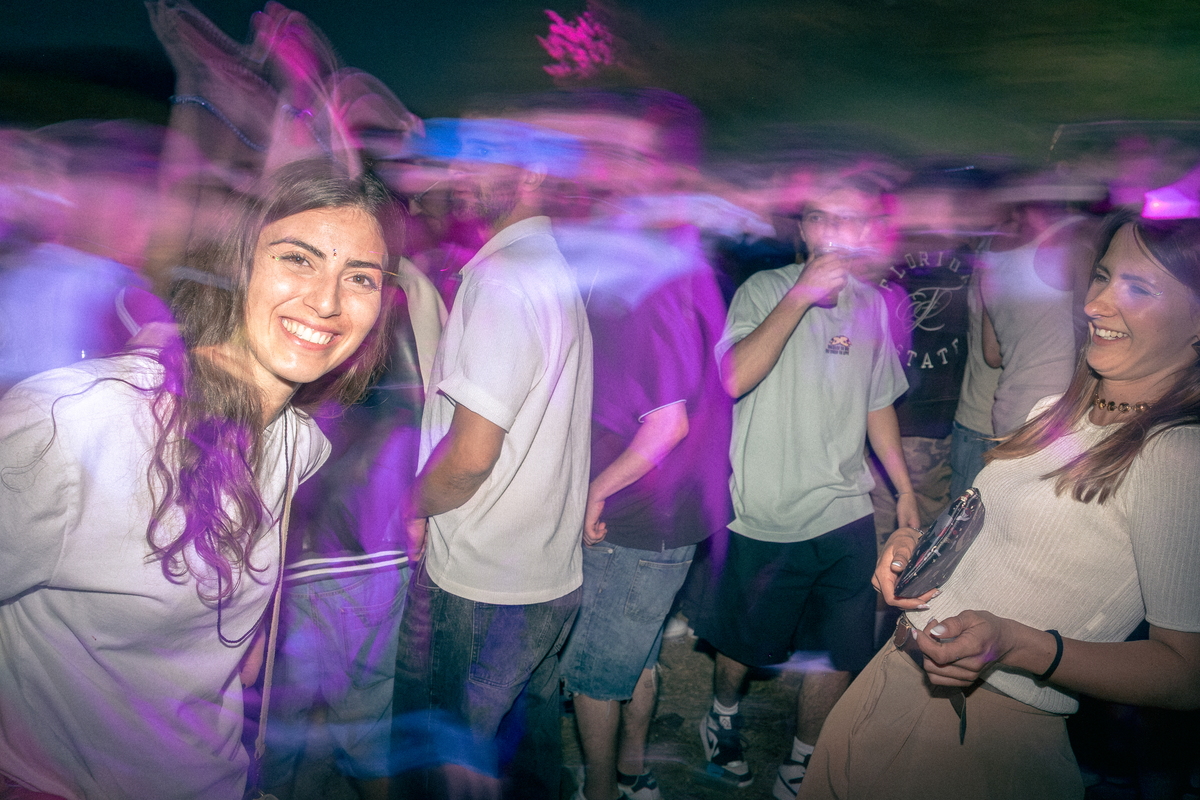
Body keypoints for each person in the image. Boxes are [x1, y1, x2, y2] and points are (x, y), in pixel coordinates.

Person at [0, 158, 397, 800]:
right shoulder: (75, 423)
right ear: (237, 265)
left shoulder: (297, 445)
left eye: (359, 277)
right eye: (297, 259)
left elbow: (228, 650)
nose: (327, 302)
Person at [800, 211, 1200, 800]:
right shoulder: (1050, 414)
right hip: (887, 680)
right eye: (1102, 276)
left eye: (1139, 288)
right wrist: (915, 549)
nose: (1095, 304)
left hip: (976, 735)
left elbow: (1185, 672)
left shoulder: (1178, 455)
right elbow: (998, 546)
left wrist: (1018, 645)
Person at [693, 174, 919, 799]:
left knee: (837, 653)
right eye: (820, 217)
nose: (833, 232)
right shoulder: (764, 289)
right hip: (766, 511)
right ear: (804, 228)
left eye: (848, 219)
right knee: (746, 645)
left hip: (845, 509)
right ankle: (723, 714)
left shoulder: (874, 306)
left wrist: (902, 489)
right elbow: (732, 379)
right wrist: (798, 296)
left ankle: (801, 762)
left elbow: (877, 402)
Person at [391, 119, 592, 800]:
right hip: (543, 575)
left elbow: (472, 455)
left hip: (483, 584)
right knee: (525, 765)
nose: (461, 176)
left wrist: (410, 503)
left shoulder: (503, 279)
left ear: (533, 174)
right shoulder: (546, 265)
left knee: (448, 765)